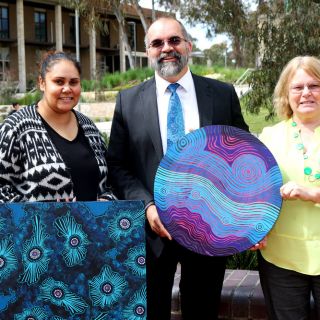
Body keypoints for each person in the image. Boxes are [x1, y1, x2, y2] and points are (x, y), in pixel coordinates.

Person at [107, 16, 249, 320]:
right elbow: (117, 166)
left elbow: (243, 155)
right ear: (148, 51)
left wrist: (242, 215)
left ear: (188, 45)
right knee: (152, 310)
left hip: (208, 225)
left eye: (174, 40)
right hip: (152, 230)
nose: (166, 48)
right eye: (157, 43)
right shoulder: (128, 101)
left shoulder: (222, 94)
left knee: (202, 309)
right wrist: (147, 206)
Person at [0, 51, 114, 203]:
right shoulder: (16, 128)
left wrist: (107, 200)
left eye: (73, 82)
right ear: (42, 83)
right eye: (59, 82)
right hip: (38, 226)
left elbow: (110, 180)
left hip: (94, 225)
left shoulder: (89, 128)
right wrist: (38, 217)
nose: (67, 89)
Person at [258, 56, 320, 320]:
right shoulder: (270, 136)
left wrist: (312, 194)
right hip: (280, 257)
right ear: (286, 92)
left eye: (314, 85)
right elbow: (253, 193)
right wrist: (252, 228)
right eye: (297, 87)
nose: (306, 93)